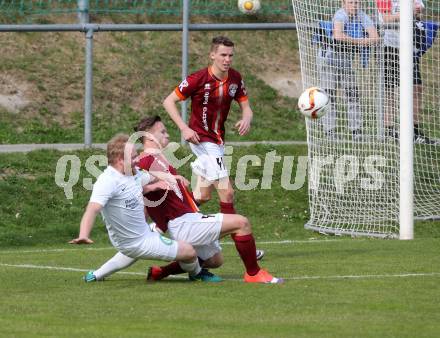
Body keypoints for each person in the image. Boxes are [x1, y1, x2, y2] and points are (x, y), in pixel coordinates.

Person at [136, 115, 283, 284]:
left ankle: (159, 272)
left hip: (190, 218)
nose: (167, 135)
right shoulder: (144, 160)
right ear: (148, 136)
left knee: (215, 260)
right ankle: (253, 273)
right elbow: (136, 188)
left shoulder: (159, 159)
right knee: (241, 223)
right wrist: (144, 219)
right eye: (162, 132)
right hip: (183, 223)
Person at [163, 35, 264, 260]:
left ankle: (165, 223)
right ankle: (241, 241)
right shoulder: (198, 78)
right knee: (227, 191)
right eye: (223, 55)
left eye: (230, 55)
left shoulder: (235, 78)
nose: (227, 59)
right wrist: (184, 128)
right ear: (212, 55)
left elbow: (246, 107)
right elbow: (168, 101)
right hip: (203, 142)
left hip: (217, 142)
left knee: (202, 195)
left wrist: (247, 117)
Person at [69, 133, 204, 282]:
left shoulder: (132, 173)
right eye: (133, 157)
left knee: (139, 245)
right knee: (190, 252)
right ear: (121, 160)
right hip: (135, 241)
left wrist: (170, 179)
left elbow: (151, 176)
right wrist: (83, 234)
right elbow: (92, 209)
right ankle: (198, 274)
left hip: (139, 233)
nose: (137, 159)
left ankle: (95, 275)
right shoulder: (107, 181)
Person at [318, 0, 380, 141]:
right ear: (343, 3)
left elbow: (375, 37)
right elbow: (338, 36)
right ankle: (330, 132)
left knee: (353, 96)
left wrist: (360, 40)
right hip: (329, 60)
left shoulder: (362, 16)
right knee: (329, 97)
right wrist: (360, 41)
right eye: (351, 2)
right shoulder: (340, 15)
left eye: (357, 2)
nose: (355, 5)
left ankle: (356, 131)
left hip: (347, 62)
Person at [376, 0, 437, 144]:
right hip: (389, 46)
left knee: (417, 87)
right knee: (390, 90)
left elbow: (419, 7)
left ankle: (414, 131)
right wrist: (405, 13)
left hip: (408, 46)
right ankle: (389, 130)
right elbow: (386, 19)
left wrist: (412, 11)